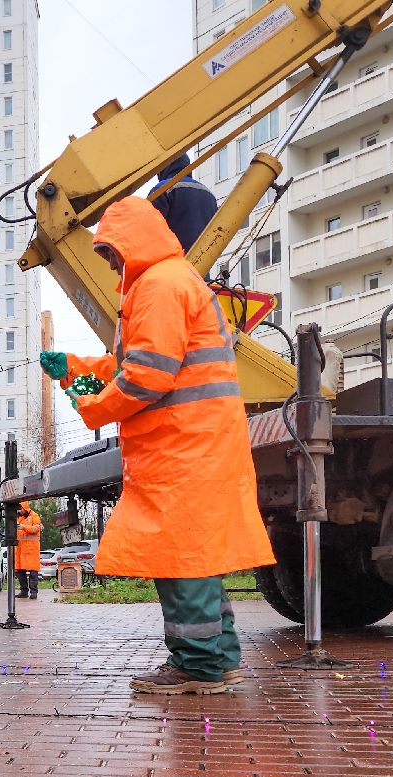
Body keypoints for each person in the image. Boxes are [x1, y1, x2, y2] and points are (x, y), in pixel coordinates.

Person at [40, 195, 273, 695]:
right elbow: (135, 366)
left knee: (180, 558)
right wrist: (76, 370)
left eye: (110, 253)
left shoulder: (159, 286)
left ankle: (199, 667)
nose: (108, 263)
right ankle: (218, 660)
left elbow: (146, 377)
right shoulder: (167, 282)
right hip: (193, 445)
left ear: (132, 243)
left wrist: (92, 407)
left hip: (182, 449)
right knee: (197, 557)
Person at [150, 153, 219, 257]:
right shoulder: (209, 194)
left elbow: (149, 229)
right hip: (201, 265)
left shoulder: (163, 189)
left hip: (171, 264)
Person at [14, 505, 42, 599]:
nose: (20, 511)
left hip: (31, 550)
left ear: (25, 508)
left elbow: (35, 529)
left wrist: (23, 527)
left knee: (33, 572)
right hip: (21, 550)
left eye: (21, 509)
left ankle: (33, 592)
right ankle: (24, 591)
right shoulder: (19, 518)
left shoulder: (35, 516)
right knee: (20, 571)